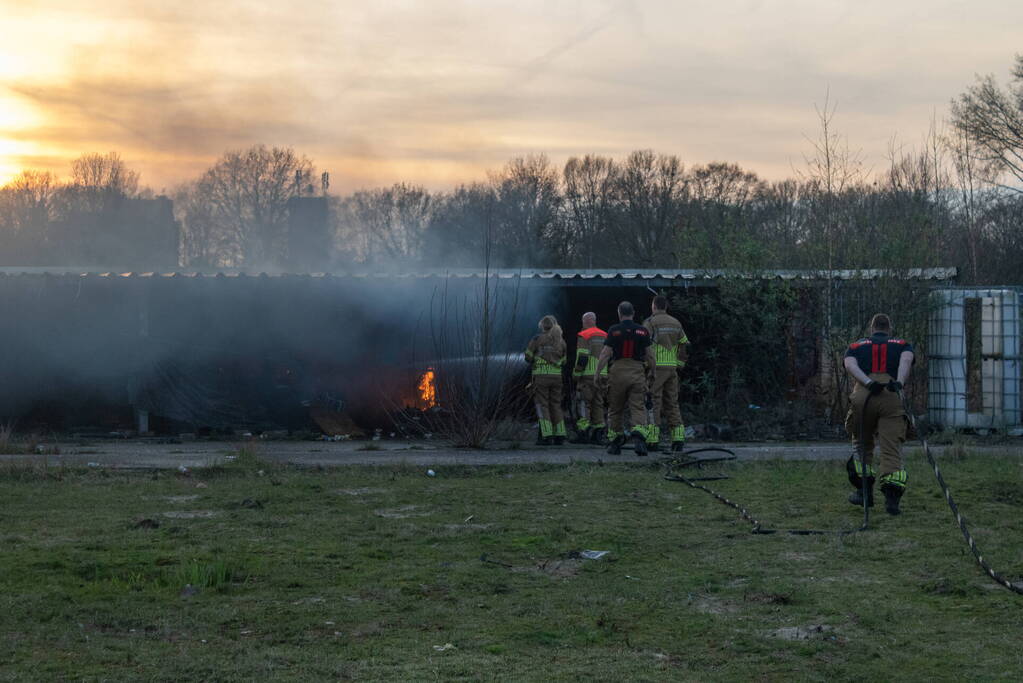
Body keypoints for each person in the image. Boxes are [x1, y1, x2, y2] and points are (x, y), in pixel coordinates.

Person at [842, 313, 915, 515]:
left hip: (864, 396)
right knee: (891, 449)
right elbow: (906, 361)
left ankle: (863, 494)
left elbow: (849, 365)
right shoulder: (902, 343)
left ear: (872, 329)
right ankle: (892, 503)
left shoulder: (857, 345)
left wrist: (867, 382)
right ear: (889, 329)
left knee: (862, 444)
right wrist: (898, 382)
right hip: (891, 394)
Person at [594, 301, 655, 456]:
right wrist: (652, 372)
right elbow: (650, 355)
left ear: (619, 313)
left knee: (615, 409)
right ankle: (639, 438)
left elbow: (605, 354)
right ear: (633, 313)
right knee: (638, 407)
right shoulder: (642, 331)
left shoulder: (614, 330)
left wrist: (597, 373)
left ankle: (615, 443)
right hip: (637, 371)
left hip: (617, 372)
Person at [643, 295, 689, 452]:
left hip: (656, 369)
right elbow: (684, 344)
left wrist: (645, 365)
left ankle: (652, 438)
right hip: (672, 369)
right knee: (672, 402)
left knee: (653, 402)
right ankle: (678, 438)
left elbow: (644, 346)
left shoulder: (650, 323)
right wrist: (680, 363)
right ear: (666, 306)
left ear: (654, 306)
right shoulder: (676, 323)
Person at [525, 315, 567, 445]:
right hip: (557, 378)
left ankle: (546, 435)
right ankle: (560, 435)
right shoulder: (561, 341)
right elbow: (564, 361)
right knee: (555, 405)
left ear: (542, 326)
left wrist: (535, 359)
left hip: (541, 378)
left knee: (542, 405)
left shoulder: (537, 339)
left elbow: (528, 356)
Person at [570, 312, 608, 444]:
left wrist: (576, 374)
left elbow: (582, 357)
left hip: (587, 376)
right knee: (598, 403)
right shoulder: (604, 334)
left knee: (583, 403)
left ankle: (583, 432)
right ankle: (598, 433)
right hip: (602, 375)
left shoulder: (584, 334)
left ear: (584, 321)